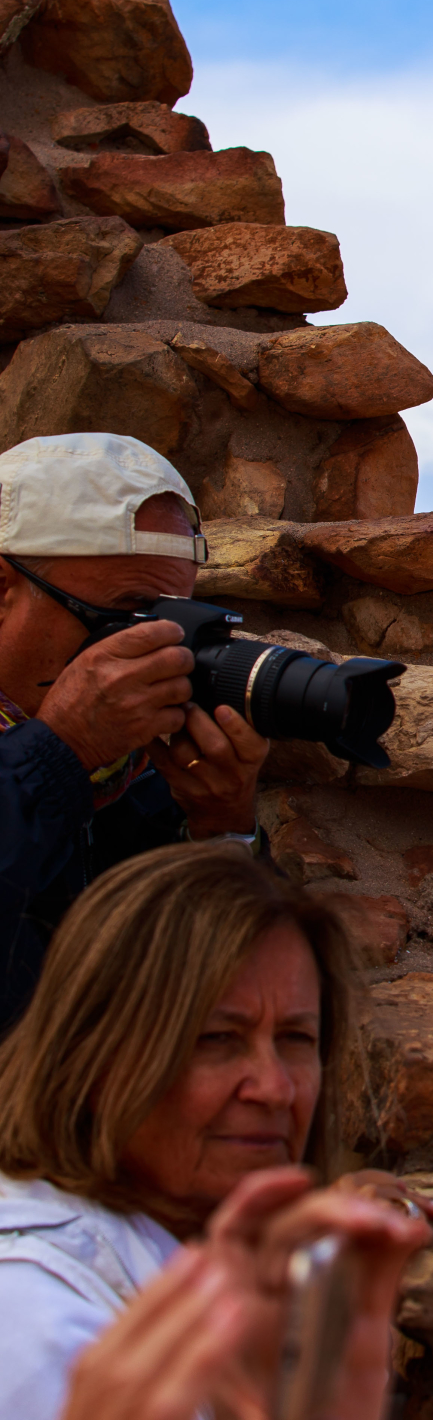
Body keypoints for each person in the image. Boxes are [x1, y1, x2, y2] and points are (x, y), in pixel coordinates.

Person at [0, 842, 433, 1420]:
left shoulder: (197, 1258)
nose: (273, 1088)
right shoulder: (30, 1315)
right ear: (94, 1058)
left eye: (295, 1038)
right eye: (217, 1039)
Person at [0, 431, 270, 1027]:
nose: (154, 651)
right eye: (123, 616)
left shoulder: (133, 778)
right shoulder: (77, 756)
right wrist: (61, 751)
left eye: (174, 619)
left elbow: (218, 999)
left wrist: (221, 832)